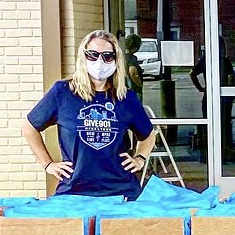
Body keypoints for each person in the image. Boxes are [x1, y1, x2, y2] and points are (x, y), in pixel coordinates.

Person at [22, 30, 157, 199]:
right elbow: (29, 127)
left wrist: (140, 159)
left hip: (121, 191)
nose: (100, 61)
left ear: (116, 60)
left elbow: (148, 135)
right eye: (93, 55)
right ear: (83, 57)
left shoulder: (125, 97)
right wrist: (47, 164)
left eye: (108, 56)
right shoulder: (63, 93)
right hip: (74, 191)